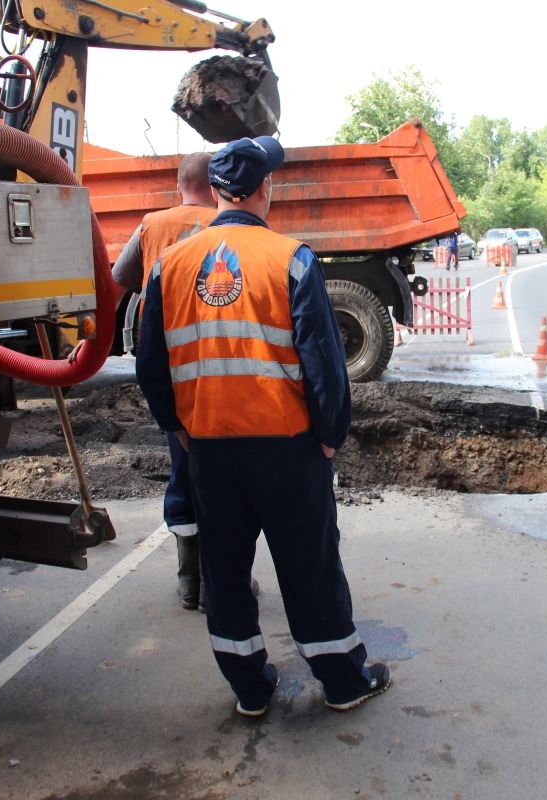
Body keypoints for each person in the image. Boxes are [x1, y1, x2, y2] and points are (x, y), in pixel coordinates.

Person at [134, 135, 392, 716]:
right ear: (263, 190)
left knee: (226, 575)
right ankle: (344, 683)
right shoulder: (291, 259)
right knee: (310, 567)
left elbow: (149, 360)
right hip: (287, 450)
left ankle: (250, 690)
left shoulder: (169, 267)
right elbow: (323, 363)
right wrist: (330, 434)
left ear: (220, 191)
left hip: (210, 453)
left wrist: (176, 426)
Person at [102, 151, 252, 612]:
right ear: (216, 186)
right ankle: (226, 582)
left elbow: (116, 284)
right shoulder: (231, 225)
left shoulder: (153, 225)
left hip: (169, 365)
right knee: (231, 473)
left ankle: (191, 582)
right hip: (224, 360)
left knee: (184, 462)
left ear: (178, 186)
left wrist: (89, 339)